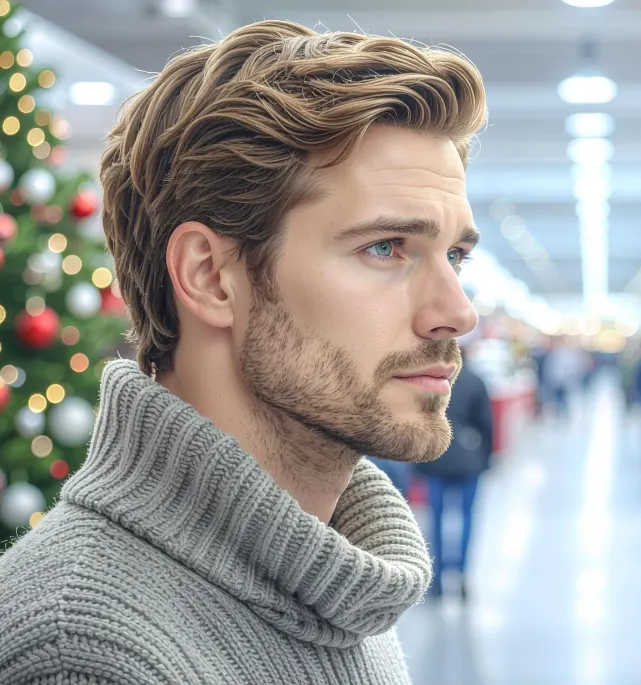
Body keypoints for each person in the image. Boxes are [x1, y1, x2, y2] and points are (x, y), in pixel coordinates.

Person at [0, 21, 486, 684]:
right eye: (386, 247)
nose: (457, 313)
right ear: (209, 275)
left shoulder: (338, 591)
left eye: (455, 255)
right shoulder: (84, 655)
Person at [415, 349, 494, 600]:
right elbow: (487, 425)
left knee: (436, 518)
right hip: (469, 461)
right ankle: (461, 574)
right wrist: (486, 458)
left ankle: (436, 578)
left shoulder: (429, 380)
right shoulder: (476, 381)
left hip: (436, 459)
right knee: (466, 517)